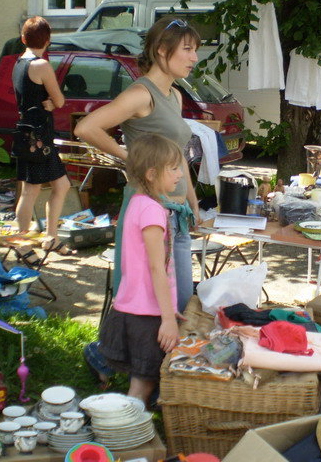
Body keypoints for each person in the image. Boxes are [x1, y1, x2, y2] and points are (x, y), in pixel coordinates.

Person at [74, 17, 201, 313]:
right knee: (154, 305)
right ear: (161, 50)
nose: (194, 58)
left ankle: (168, 359)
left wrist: (194, 203)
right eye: (187, 49)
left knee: (180, 301)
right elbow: (86, 128)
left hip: (177, 213)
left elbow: (176, 154)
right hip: (150, 212)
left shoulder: (175, 96)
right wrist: (132, 157)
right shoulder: (141, 94)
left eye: (195, 50)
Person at [97, 133, 185, 404]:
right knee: (142, 387)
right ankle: (122, 436)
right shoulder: (152, 211)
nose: (180, 174)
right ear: (151, 173)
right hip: (147, 316)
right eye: (173, 168)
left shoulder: (136, 203)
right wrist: (167, 318)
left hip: (130, 309)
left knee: (139, 380)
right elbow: (157, 268)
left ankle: (118, 420)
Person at [12, 16, 74, 257]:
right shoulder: (41, 65)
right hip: (36, 136)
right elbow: (59, 100)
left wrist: (45, 104)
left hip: (33, 133)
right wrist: (50, 105)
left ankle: (51, 238)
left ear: (23, 38)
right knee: (30, 191)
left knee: (62, 184)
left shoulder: (18, 63)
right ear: (48, 40)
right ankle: (23, 244)